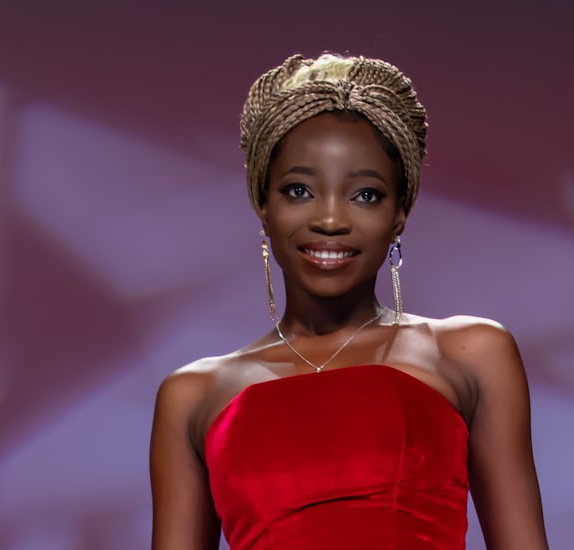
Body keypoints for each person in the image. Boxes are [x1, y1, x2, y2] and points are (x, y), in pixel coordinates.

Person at [150, 53, 548, 549]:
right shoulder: (193, 396)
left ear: (400, 211)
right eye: (299, 190)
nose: (332, 220)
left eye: (365, 195)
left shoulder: (472, 353)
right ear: (263, 205)